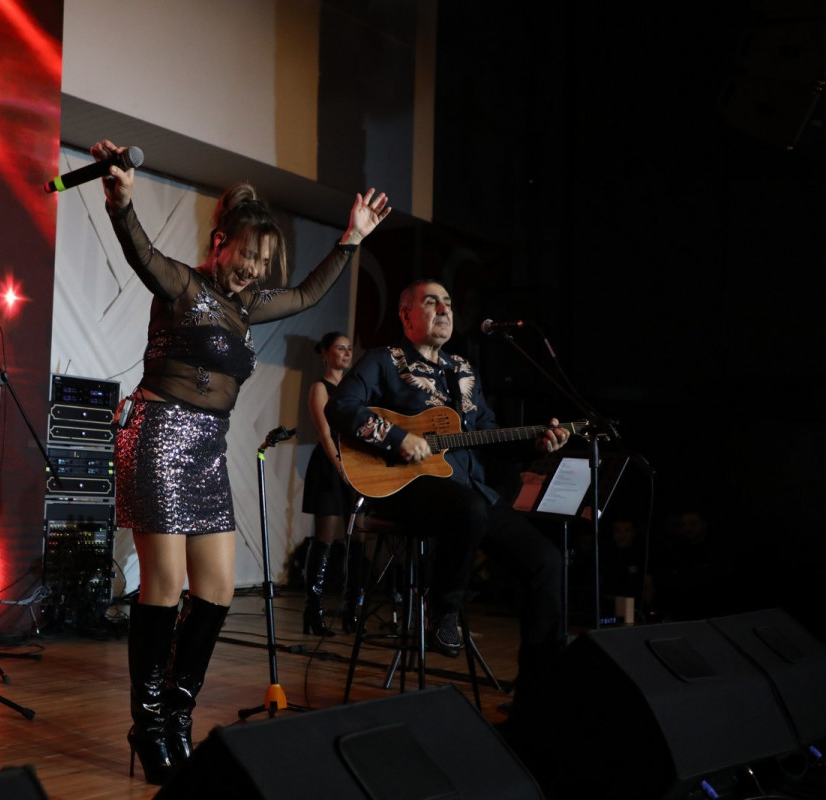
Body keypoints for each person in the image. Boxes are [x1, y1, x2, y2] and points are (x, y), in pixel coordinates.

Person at [92, 138, 390, 785]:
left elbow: (306, 294)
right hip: (158, 435)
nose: (253, 269)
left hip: (207, 447)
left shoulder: (250, 306)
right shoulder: (182, 283)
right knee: (164, 585)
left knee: (219, 590)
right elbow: (141, 254)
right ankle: (148, 721)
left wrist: (352, 238)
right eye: (247, 255)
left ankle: (177, 714)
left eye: (263, 261)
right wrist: (122, 204)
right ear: (220, 242)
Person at [327, 278, 570, 717]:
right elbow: (340, 407)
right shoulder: (385, 360)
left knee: (547, 561)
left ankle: (537, 697)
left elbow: (488, 435)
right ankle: (444, 611)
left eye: (449, 303)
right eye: (431, 302)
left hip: (469, 491)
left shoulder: (463, 369)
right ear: (406, 315)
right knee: (468, 509)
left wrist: (534, 443)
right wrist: (398, 438)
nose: (444, 309)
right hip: (403, 488)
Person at [300, 331, 359, 636]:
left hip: (355, 465)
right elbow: (325, 435)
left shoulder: (354, 389)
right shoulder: (319, 388)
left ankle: (353, 610)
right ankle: (314, 610)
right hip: (329, 465)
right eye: (340, 348)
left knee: (357, 537)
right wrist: (342, 470)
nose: (346, 353)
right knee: (325, 537)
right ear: (325, 352)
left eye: (349, 349)